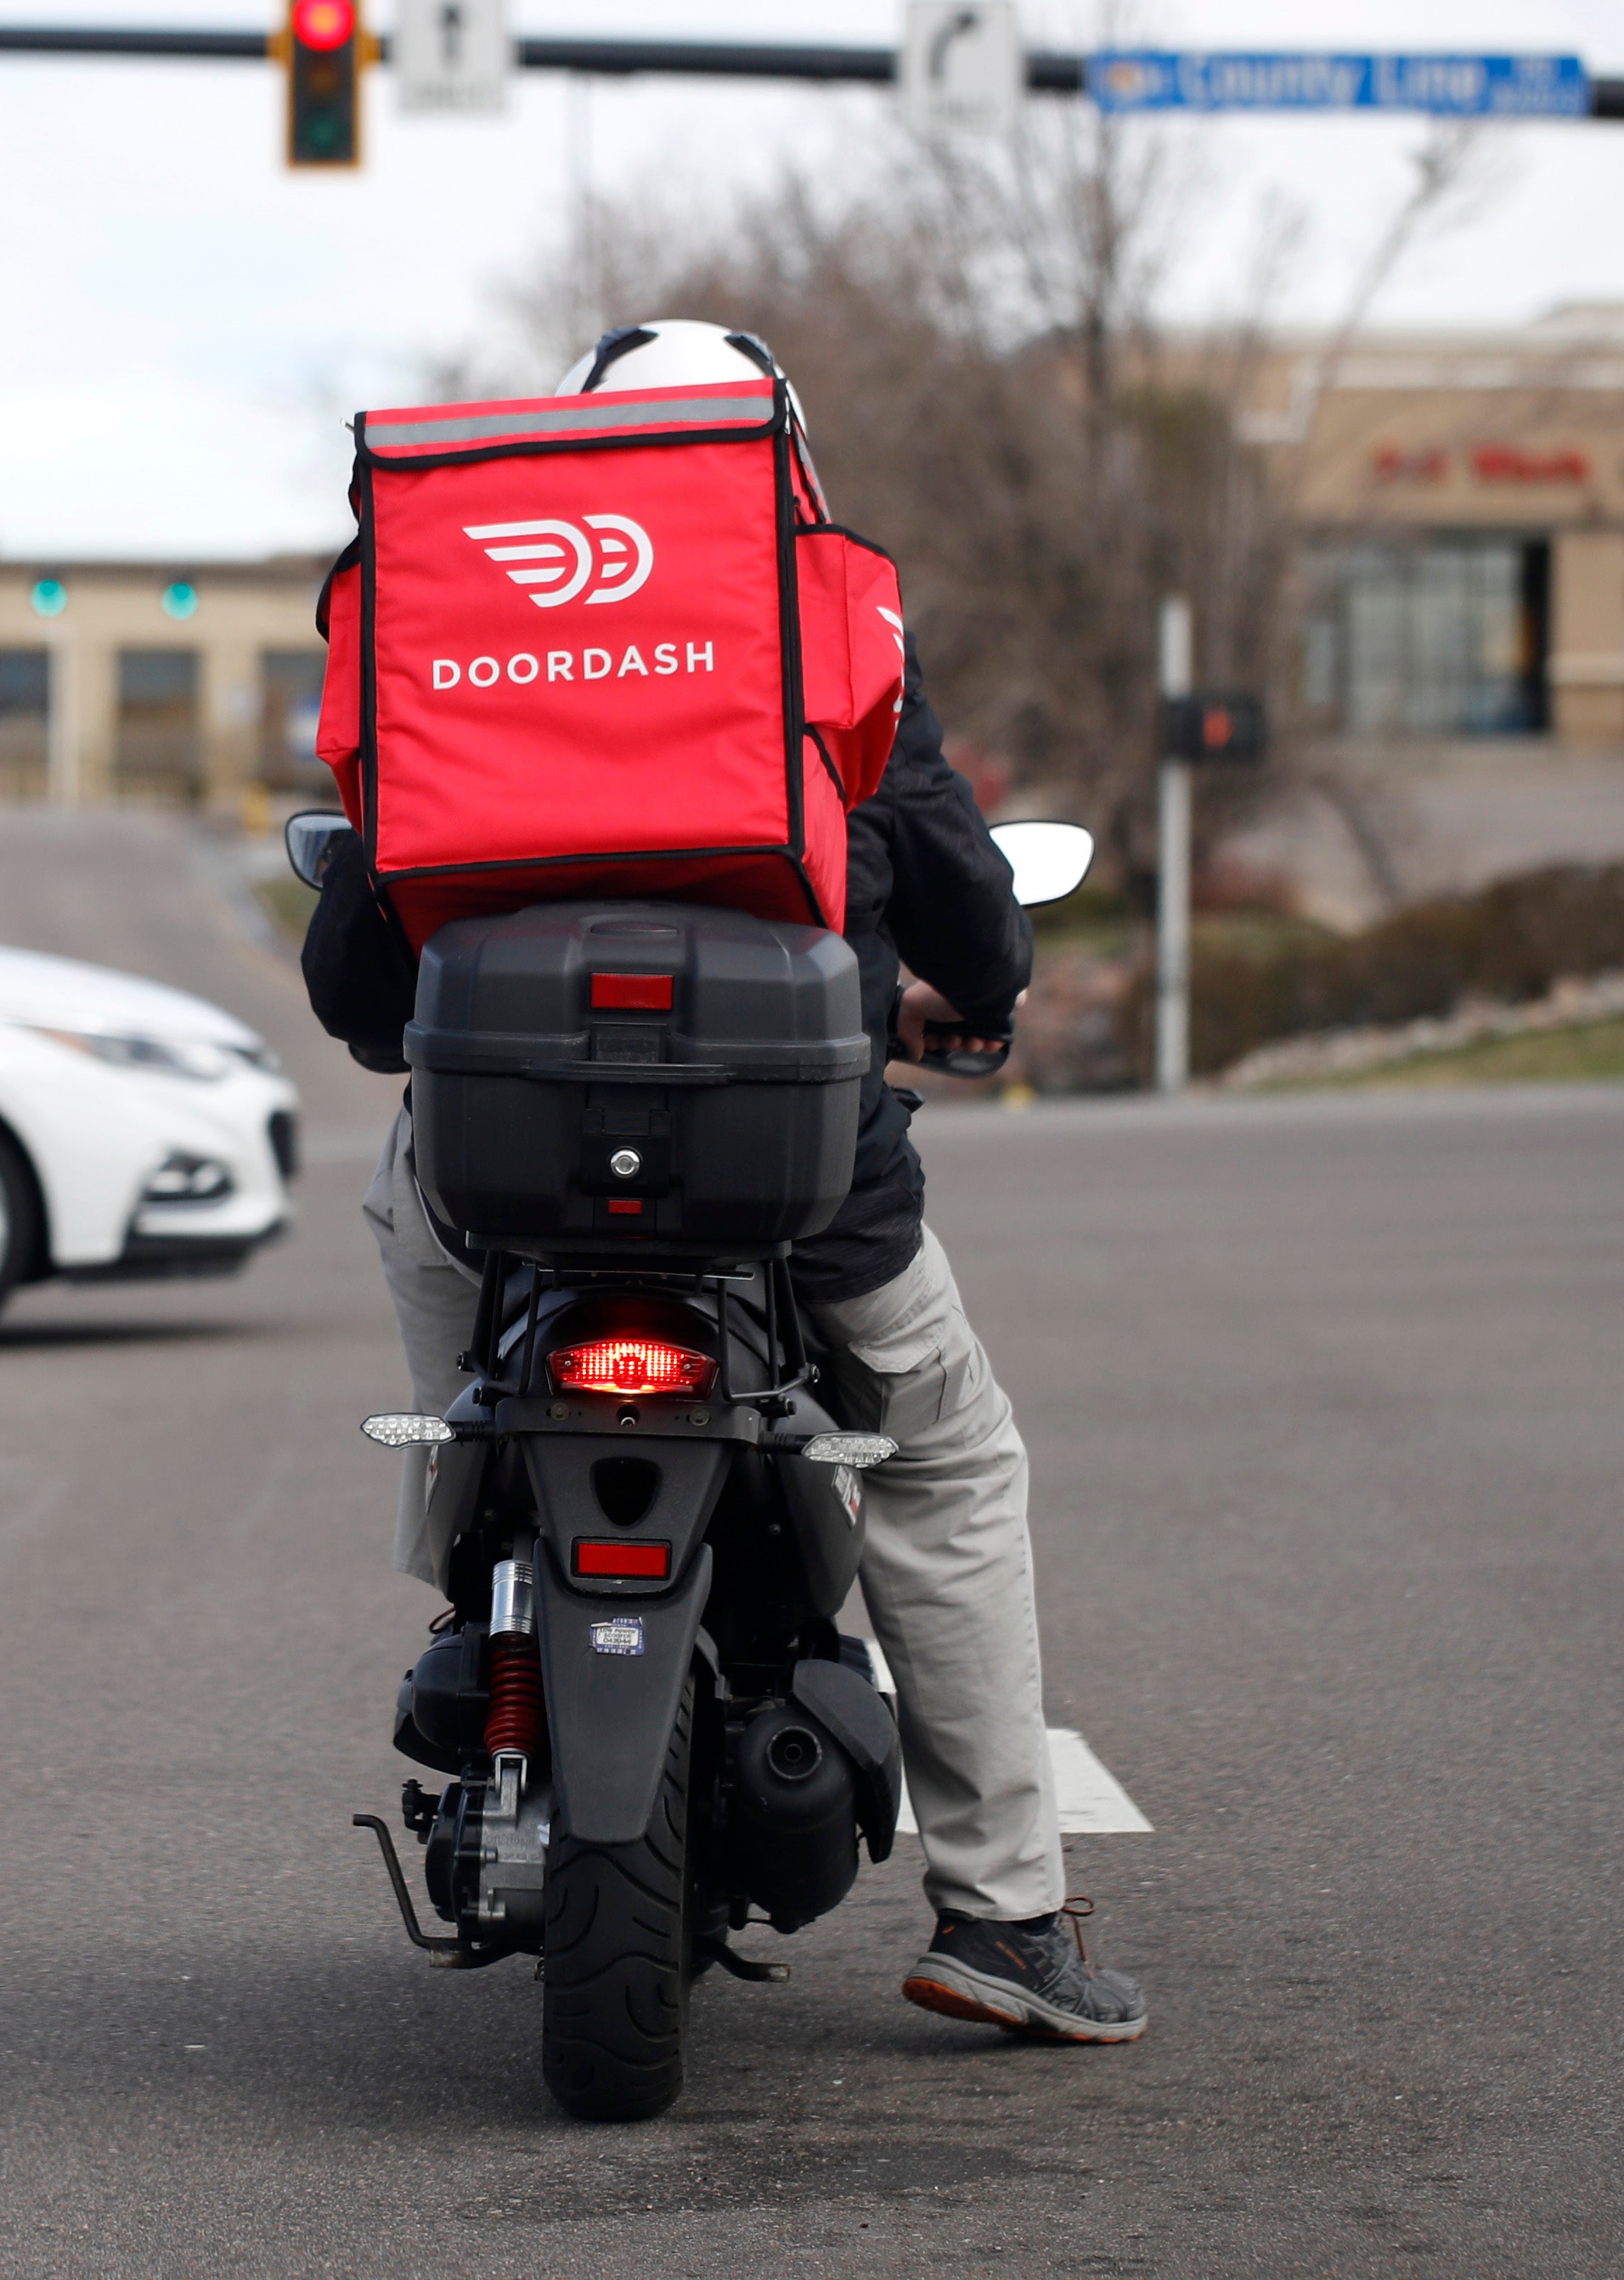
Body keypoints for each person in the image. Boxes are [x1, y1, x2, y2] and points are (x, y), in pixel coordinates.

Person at [306, 319, 1145, 2045]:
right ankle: (1006, 1915)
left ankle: (474, 1538)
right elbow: (972, 914)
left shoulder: (461, 605)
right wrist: (963, 999)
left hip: (495, 1170)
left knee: (458, 1375)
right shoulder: (804, 599)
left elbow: (356, 996)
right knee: (949, 1466)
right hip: (796, 1160)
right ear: (776, 450)